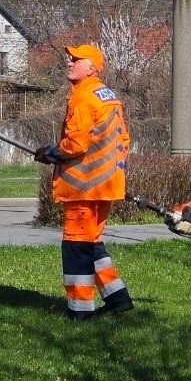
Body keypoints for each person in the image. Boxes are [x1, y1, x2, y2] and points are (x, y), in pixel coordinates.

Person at [36, 43, 134, 320]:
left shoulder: (83, 98)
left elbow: (76, 145)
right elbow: (123, 140)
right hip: (106, 185)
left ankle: (80, 313)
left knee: (77, 247)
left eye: (77, 59)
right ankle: (118, 299)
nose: (69, 61)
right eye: (70, 58)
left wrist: (50, 153)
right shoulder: (108, 96)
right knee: (92, 243)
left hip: (84, 187)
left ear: (92, 67)